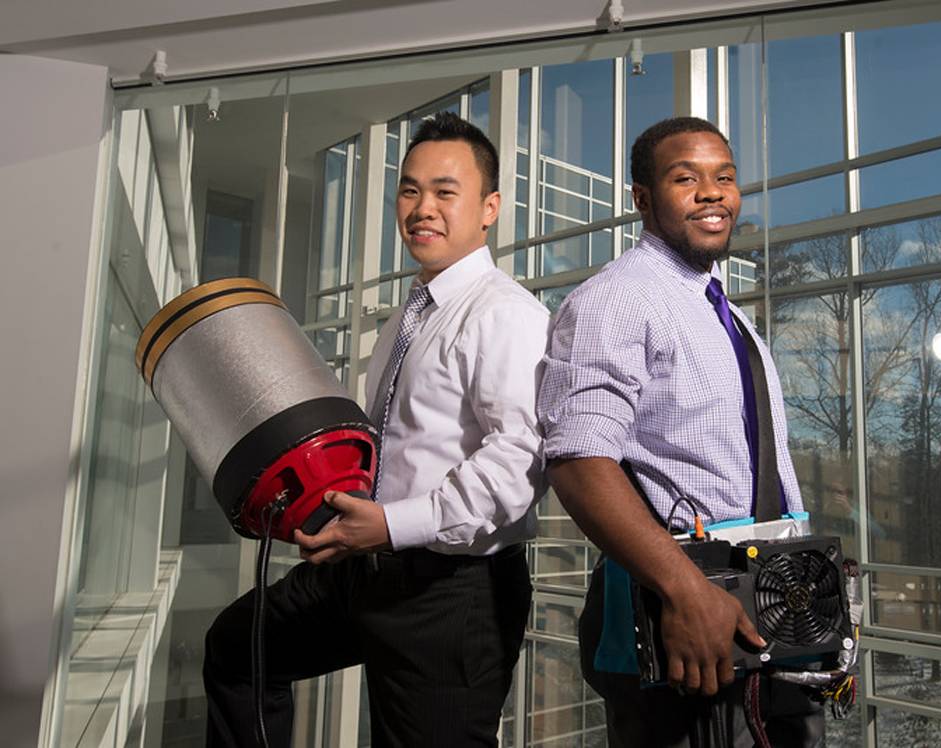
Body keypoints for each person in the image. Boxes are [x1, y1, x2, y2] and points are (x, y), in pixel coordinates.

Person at [203, 112, 550, 747]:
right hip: (367, 565)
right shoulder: (407, 316)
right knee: (237, 648)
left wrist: (390, 525)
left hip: (451, 594)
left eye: (445, 191)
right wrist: (349, 523)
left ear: (490, 208)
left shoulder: (506, 315)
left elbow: (519, 463)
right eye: (410, 190)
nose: (423, 208)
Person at [539, 116, 824, 747]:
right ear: (643, 198)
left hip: (763, 611)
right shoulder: (616, 300)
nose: (712, 192)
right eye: (685, 178)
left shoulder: (726, 315)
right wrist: (686, 590)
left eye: (725, 177)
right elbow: (578, 463)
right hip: (684, 613)